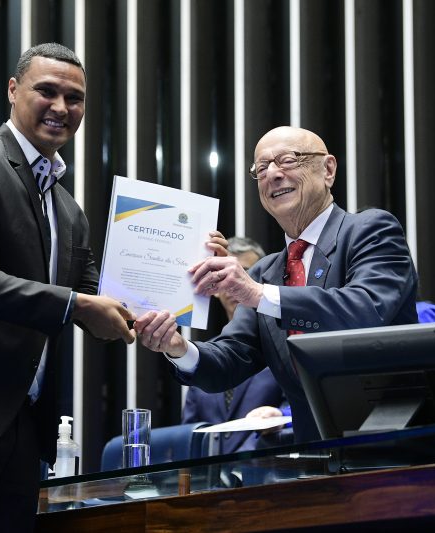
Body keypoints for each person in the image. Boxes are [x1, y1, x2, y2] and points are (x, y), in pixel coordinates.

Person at [0, 43, 224, 533]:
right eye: (47, 91)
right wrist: (80, 303)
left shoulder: (68, 210)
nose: (62, 107)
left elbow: (105, 307)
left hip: (19, 429)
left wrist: (191, 271)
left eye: (75, 98)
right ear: (13, 91)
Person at [135, 125, 419, 443]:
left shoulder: (370, 230)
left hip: (392, 451)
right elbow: (231, 358)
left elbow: (366, 309)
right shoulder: (266, 272)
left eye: (287, 160)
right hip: (312, 461)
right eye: (261, 168)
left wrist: (259, 295)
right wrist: (178, 348)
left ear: (328, 169)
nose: (272, 174)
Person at [182, 236, 289, 454]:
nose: (233, 282)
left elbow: (304, 408)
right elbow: (189, 435)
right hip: (211, 482)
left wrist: (282, 417)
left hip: (268, 471)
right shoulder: (202, 356)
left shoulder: (285, 343)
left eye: (246, 272)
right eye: (222, 274)